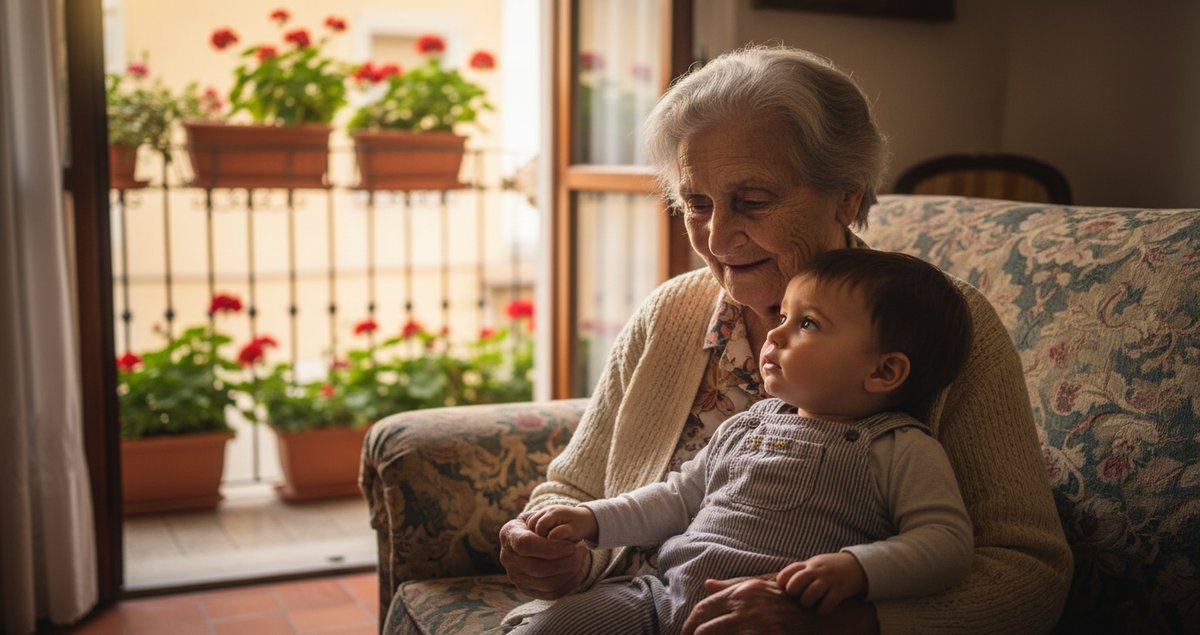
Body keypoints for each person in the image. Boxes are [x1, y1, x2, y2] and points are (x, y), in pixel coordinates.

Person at [499, 44, 1072, 634]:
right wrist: (553, 549)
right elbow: (574, 487)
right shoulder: (671, 311)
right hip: (641, 605)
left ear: (846, 195)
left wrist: (839, 622)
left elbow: (1027, 573)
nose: (718, 237)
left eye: (753, 200)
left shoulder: (944, 322)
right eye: (697, 203)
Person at [510, 249, 976, 634]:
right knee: (556, 626)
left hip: (764, 619)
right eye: (785, 315)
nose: (775, 333)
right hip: (659, 599)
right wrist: (593, 520)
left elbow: (946, 542)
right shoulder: (748, 424)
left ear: (884, 371)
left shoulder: (898, 447)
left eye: (807, 324)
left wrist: (858, 569)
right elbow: (676, 499)